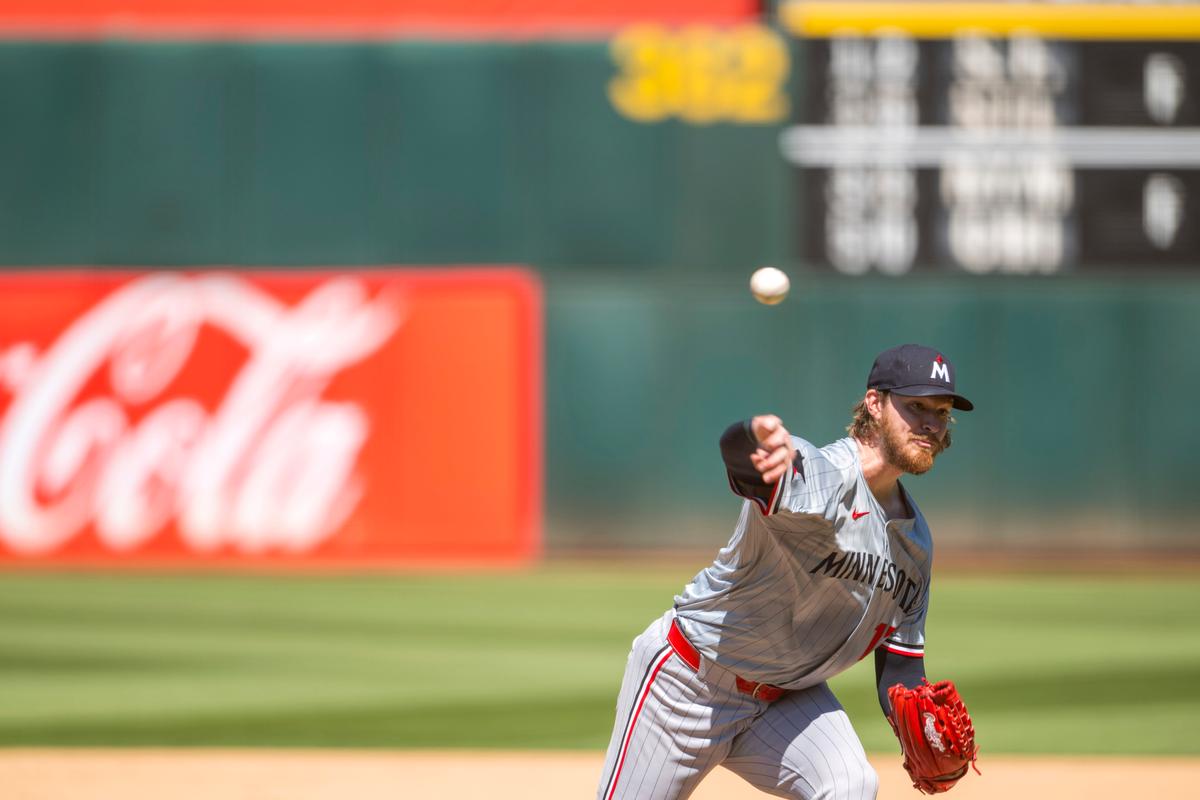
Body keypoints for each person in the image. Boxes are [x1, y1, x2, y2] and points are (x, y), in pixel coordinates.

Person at [597, 343, 974, 800]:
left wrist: (922, 724)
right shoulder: (822, 474)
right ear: (874, 404)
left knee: (851, 785)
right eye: (915, 406)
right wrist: (748, 436)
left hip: (788, 700)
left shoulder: (916, 546)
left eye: (941, 411)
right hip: (688, 683)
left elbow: (900, 667)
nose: (931, 423)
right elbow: (748, 469)